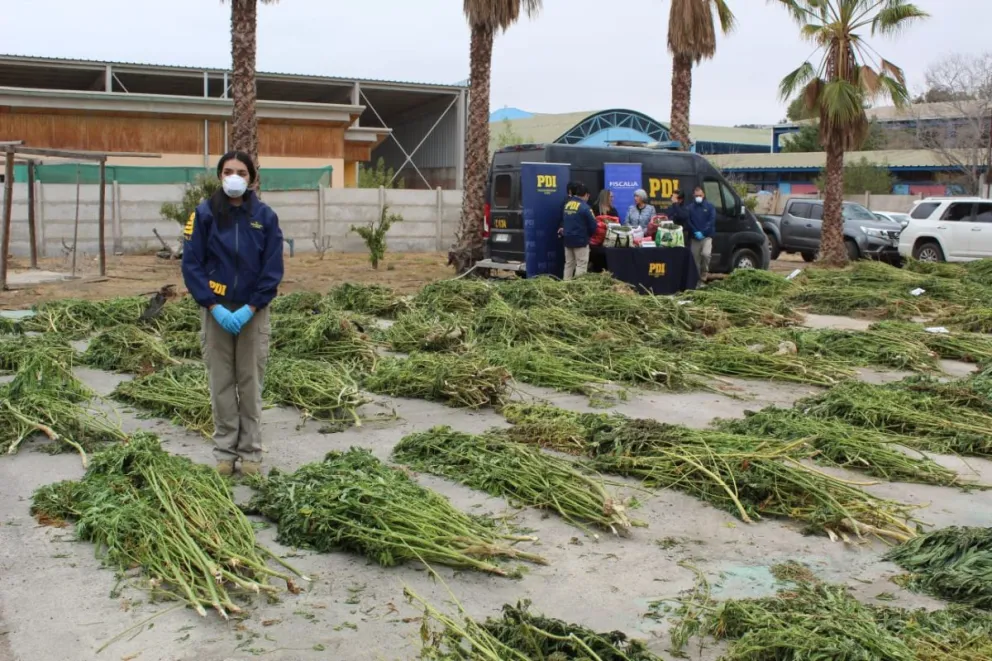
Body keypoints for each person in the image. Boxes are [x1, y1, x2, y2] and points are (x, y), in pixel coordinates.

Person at [181, 151, 284, 477]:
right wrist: (212, 305)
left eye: (241, 171)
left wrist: (252, 306)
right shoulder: (203, 214)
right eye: (228, 171)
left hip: (252, 313)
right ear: (219, 176)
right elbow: (192, 263)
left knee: (250, 383)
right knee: (221, 384)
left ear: (252, 178)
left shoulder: (265, 217)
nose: (234, 177)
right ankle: (225, 453)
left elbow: (272, 267)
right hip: (217, 313)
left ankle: (251, 453)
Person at [558, 182, 598, 280]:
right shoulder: (585, 207)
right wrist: (588, 236)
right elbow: (593, 225)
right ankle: (578, 288)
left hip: (567, 239)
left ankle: (565, 287)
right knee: (581, 265)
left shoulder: (568, 204)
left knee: (569, 264)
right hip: (580, 240)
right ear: (586, 195)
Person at [686, 185, 716, 282]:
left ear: (703, 195)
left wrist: (703, 232)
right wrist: (695, 231)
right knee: (695, 260)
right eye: (696, 195)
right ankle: (697, 279)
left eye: (700, 195)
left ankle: (704, 274)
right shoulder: (690, 208)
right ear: (693, 195)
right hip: (695, 237)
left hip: (706, 237)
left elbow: (711, 222)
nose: (698, 197)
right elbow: (688, 221)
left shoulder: (710, 207)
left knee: (706, 254)